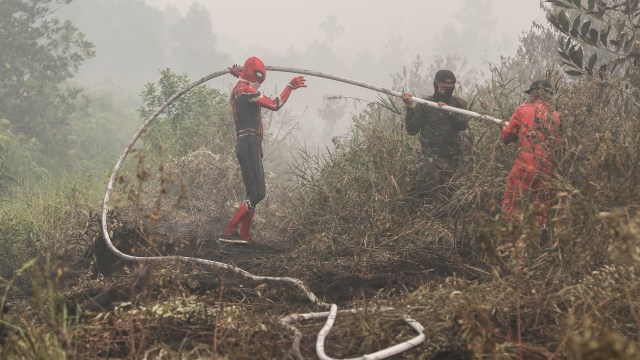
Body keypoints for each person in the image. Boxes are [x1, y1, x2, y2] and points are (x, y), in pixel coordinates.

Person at [219, 56, 306, 244]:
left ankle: (244, 235)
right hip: (249, 143)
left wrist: (240, 75)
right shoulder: (246, 90)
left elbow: (247, 87)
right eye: (258, 79)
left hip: (247, 144)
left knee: (253, 193)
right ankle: (228, 231)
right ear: (254, 76)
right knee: (258, 193)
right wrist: (290, 86)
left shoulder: (239, 89)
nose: (258, 83)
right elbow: (275, 104)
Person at [500, 79, 560, 230]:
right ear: (549, 96)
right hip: (547, 165)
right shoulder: (555, 115)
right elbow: (557, 144)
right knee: (540, 206)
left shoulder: (522, 109)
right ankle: (538, 239)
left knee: (513, 201)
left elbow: (506, 137)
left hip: (525, 163)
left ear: (534, 93)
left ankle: (512, 237)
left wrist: (504, 128)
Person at [400, 70, 469, 198]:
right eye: (443, 87)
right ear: (436, 85)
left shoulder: (459, 104)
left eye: (450, 87)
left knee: (454, 196)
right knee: (428, 194)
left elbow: (463, 125)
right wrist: (410, 107)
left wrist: (449, 114)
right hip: (430, 157)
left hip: (454, 158)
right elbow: (412, 130)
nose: (446, 90)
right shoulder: (424, 104)